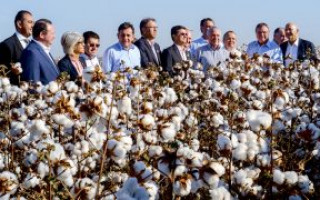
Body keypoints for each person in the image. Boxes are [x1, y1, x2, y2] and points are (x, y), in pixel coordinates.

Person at [20, 19, 60, 85]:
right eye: (52, 33)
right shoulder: (31, 53)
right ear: (42, 34)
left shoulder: (44, 50)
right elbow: (33, 85)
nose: (54, 36)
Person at [0, 10, 34, 85]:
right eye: (29, 22)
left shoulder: (34, 45)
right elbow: (3, 76)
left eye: (33, 23)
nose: (32, 26)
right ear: (19, 24)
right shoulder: (6, 45)